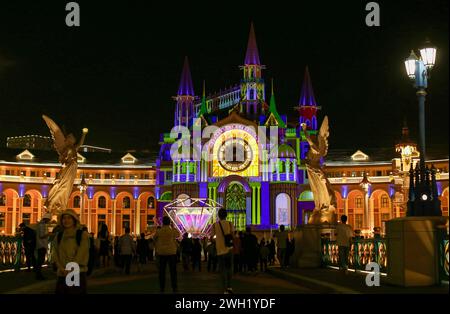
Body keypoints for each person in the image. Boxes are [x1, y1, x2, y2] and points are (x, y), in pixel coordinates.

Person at [52, 209, 89, 294]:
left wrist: (70, 269)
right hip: (62, 273)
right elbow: (55, 252)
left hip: (76, 272)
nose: (66, 220)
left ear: (74, 220)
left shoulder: (82, 235)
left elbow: (81, 253)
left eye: (69, 218)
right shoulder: (59, 235)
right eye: (64, 218)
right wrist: (60, 267)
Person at [211, 208, 234, 294]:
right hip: (229, 250)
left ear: (218, 216)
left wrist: (217, 241)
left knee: (222, 270)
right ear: (226, 215)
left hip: (220, 250)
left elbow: (211, 238)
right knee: (229, 269)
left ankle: (224, 289)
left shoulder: (214, 225)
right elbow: (232, 236)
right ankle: (230, 286)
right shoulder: (230, 224)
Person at [154, 216, 179, 293]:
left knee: (162, 271)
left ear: (163, 222)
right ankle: (174, 287)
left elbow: (154, 238)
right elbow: (178, 234)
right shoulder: (172, 231)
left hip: (162, 252)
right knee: (173, 271)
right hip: (171, 252)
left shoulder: (159, 231)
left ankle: (162, 287)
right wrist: (173, 227)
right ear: (169, 222)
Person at [35, 212, 52, 280]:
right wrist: (49, 234)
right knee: (40, 260)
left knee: (40, 260)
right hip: (42, 245)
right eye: (49, 220)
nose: (49, 221)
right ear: (47, 219)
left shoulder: (40, 224)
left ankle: (38, 274)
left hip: (40, 245)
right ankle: (38, 275)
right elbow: (41, 236)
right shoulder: (42, 225)